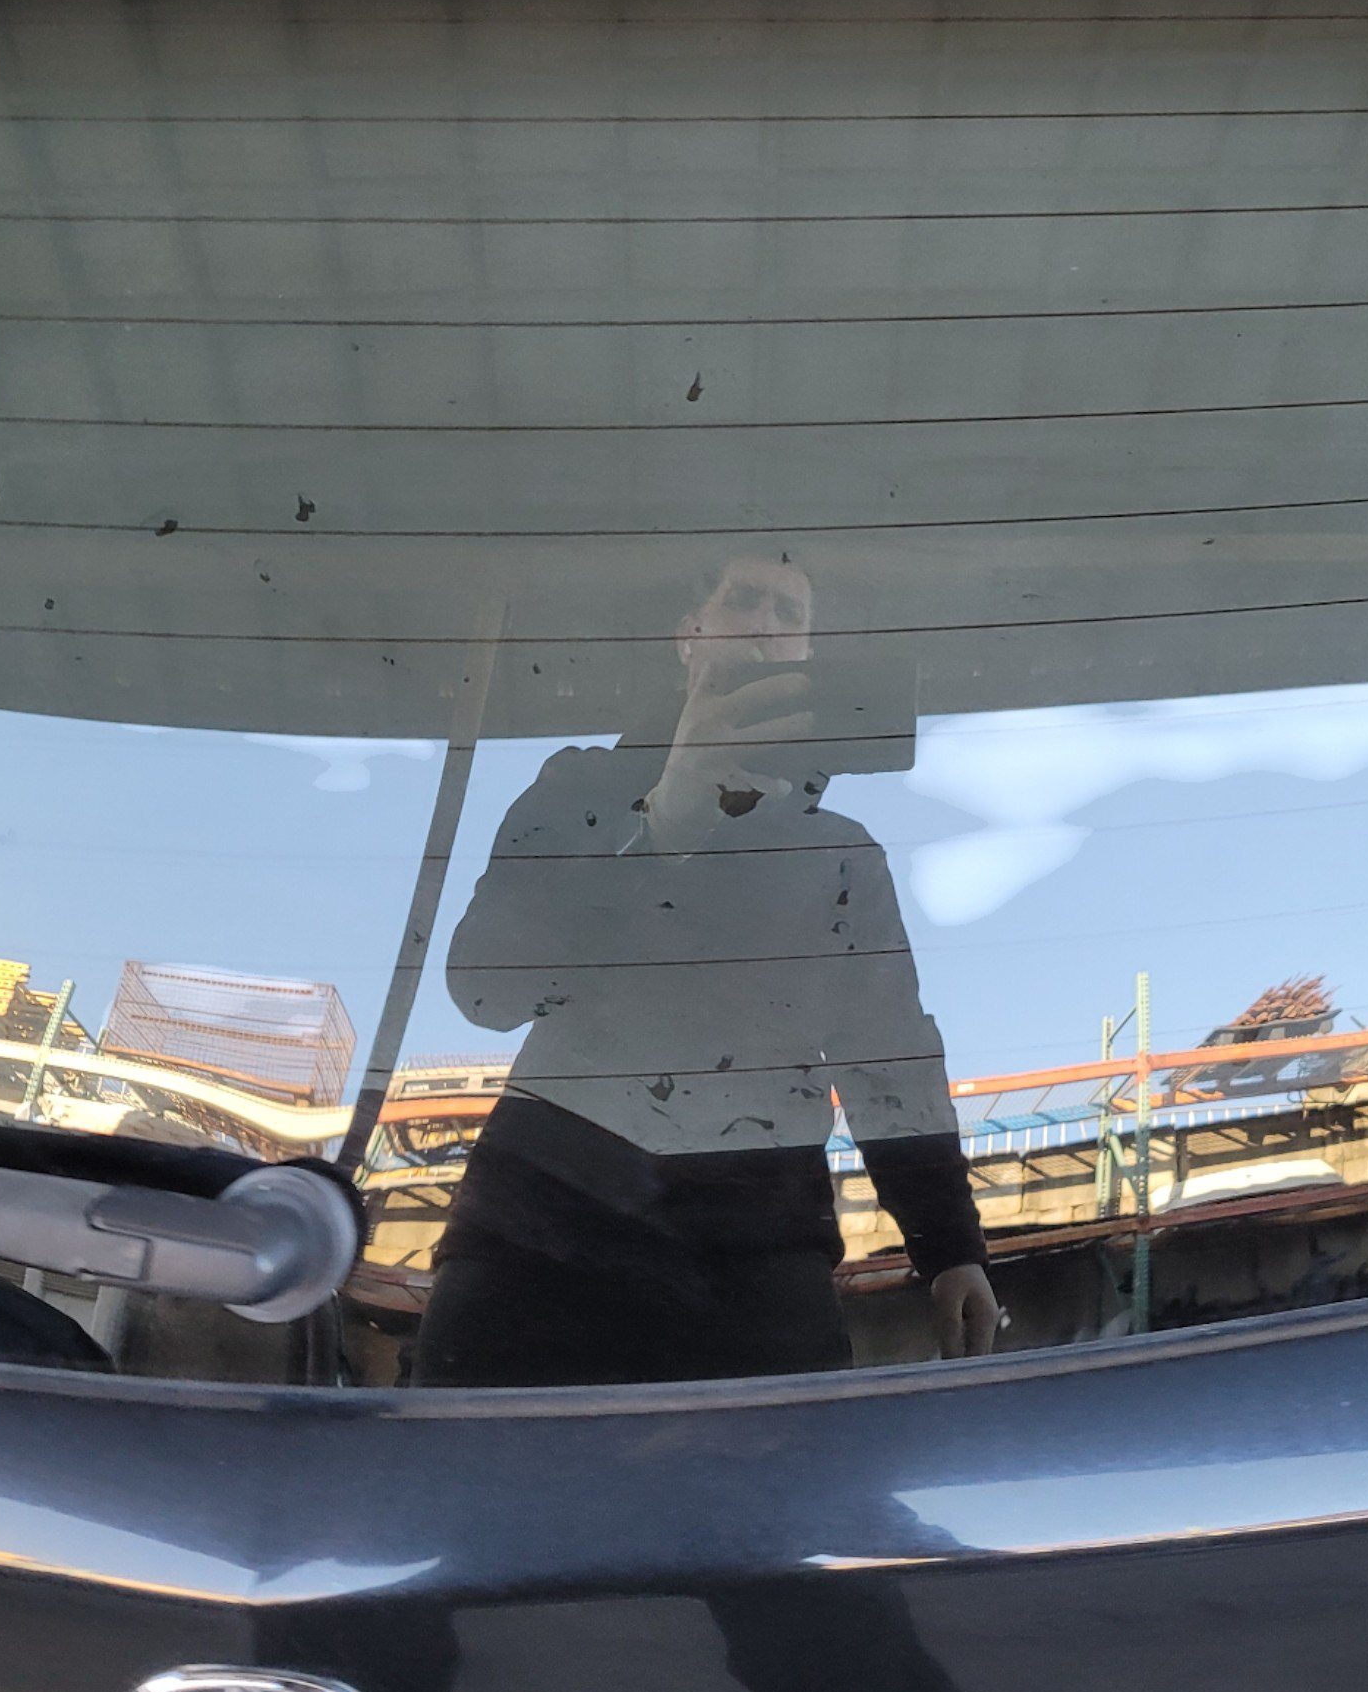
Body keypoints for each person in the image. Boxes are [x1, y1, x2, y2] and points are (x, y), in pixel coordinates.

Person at [418, 553, 997, 1386]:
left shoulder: (840, 855)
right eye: (744, 600)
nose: (764, 624)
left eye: (789, 615)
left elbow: (888, 1052)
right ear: (688, 635)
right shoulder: (579, 785)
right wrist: (661, 824)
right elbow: (485, 984)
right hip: (537, 1232)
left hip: (757, 1251)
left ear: (809, 656)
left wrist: (950, 1248)